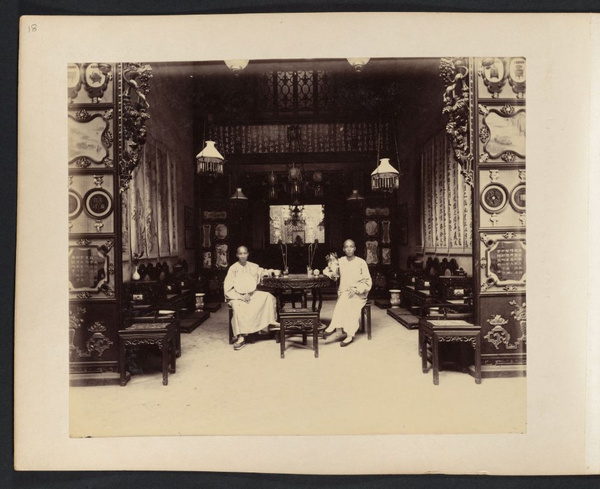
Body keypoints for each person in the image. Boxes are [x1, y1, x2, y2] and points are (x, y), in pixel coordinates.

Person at [224, 246, 278, 350]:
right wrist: (241, 296)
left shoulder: (254, 266)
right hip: (237, 296)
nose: (243, 256)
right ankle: (240, 337)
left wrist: (273, 271)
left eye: (245, 253)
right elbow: (228, 289)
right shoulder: (233, 269)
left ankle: (265, 327)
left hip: (252, 294)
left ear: (248, 254)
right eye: (240, 254)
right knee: (238, 307)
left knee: (268, 297)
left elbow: (263, 272)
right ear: (237, 255)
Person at [322, 239, 372, 347]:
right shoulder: (340, 261)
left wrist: (356, 290)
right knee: (345, 298)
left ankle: (338, 329)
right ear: (343, 249)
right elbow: (328, 271)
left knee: (347, 300)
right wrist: (332, 270)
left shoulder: (361, 262)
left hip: (359, 293)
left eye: (351, 246)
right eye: (346, 247)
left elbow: (368, 282)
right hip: (345, 293)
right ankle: (347, 334)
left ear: (354, 248)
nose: (349, 249)